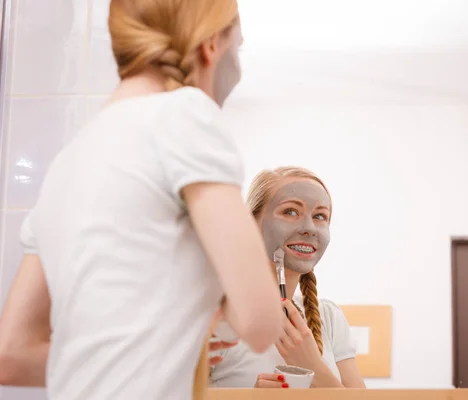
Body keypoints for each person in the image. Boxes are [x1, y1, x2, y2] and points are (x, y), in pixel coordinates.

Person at [0, 1, 284, 399]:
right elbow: (260, 320)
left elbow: (11, 354)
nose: (237, 58)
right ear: (209, 46)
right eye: (238, 44)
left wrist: (157, 348)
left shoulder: (68, 162)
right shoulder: (186, 114)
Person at [209, 166, 366, 389]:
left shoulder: (329, 318)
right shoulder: (212, 316)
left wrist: (315, 369)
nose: (310, 228)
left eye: (320, 216)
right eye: (290, 212)